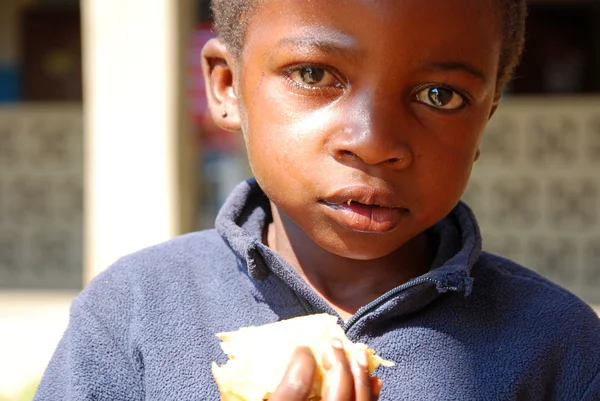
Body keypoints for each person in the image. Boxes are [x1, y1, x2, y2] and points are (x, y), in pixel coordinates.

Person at [35, 0, 600, 400]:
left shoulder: (559, 346)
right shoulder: (132, 313)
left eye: (440, 95)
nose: (375, 141)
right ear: (228, 86)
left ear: (485, 120)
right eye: (314, 73)